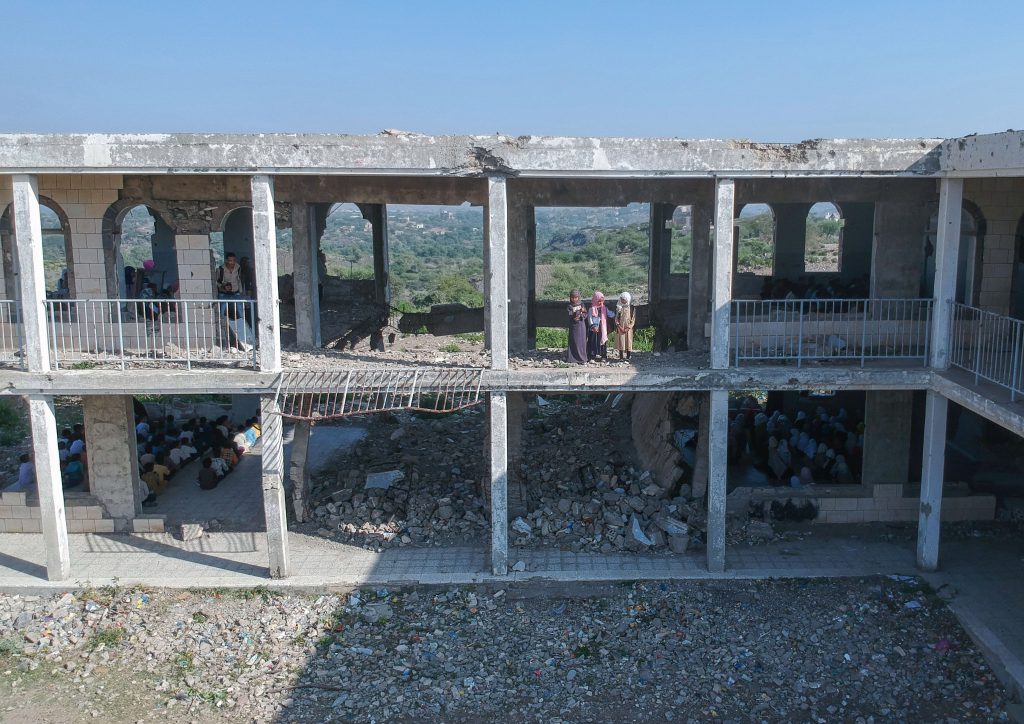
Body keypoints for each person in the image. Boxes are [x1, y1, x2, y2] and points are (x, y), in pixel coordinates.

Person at [587, 291, 611, 362]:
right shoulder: (591, 309)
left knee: (603, 342)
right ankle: (592, 355)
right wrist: (593, 326)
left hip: (602, 328)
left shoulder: (604, 308)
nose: (600, 303)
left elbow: (610, 314)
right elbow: (590, 318)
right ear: (595, 300)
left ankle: (603, 355)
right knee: (592, 341)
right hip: (594, 329)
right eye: (599, 301)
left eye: (602, 301)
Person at [566, 289, 587, 365]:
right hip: (573, 326)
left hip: (581, 326)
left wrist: (581, 315)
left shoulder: (582, 304)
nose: (574, 299)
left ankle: (582, 358)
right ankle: (572, 358)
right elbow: (569, 314)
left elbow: (585, 314)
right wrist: (574, 315)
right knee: (574, 341)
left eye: (575, 297)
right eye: (572, 297)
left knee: (581, 342)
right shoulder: (570, 306)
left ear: (578, 297)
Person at [614, 291, 635, 361]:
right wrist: (619, 326)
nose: (622, 301)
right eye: (621, 299)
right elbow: (616, 319)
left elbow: (633, 319)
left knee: (628, 341)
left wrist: (628, 327)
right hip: (620, 328)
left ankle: (628, 356)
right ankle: (621, 356)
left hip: (628, 328)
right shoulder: (619, 308)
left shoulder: (631, 308)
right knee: (621, 341)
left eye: (624, 299)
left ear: (628, 299)